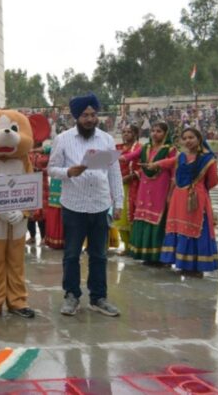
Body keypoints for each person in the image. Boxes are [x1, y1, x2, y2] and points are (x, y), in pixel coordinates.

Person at [48, 94, 123, 317]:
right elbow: (52, 169)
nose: (90, 119)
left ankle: (98, 298)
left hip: (100, 204)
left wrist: (118, 202)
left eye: (93, 115)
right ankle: (72, 296)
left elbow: (114, 172)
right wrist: (69, 172)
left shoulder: (106, 140)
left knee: (99, 254)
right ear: (76, 117)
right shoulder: (63, 139)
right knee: (71, 254)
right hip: (74, 206)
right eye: (85, 116)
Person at [144, 128, 218, 277]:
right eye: (184, 138)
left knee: (197, 229)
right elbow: (168, 162)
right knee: (179, 229)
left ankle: (195, 267)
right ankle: (183, 264)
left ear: (199, 138)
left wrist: (198, 190)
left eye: (191, 137)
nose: (187, 141)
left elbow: (213, 180)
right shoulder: (182, 157)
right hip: (178, 198)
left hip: (196, 200)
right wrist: (154, 164)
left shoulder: (208, 158)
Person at [122, 122, 176, 265]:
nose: (154, 133)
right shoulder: (146, 148)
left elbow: (174, 174)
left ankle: (159, 257)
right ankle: (144, 254)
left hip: (161, 189)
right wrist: (100, 159)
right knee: (143, 217)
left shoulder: (170, 150)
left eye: (158, 131)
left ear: (165, 134)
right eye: (152, 130)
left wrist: (171, 194)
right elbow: (128, 156)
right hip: (145, 190)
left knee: (158, 219)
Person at [114, 124, 142, 256]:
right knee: (120, 218)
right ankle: (126, 246)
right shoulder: (117, 148)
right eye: (124, 131)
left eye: (129, 132)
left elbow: (144, 167)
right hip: (118, 185)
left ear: (135, 134)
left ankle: (134, 246)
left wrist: (133, 175)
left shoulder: (140, 148)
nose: (126, 134)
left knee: (131, 216)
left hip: (134, 186)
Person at [27, 141, 49, 245]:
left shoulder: (46, 153)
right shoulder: (27, 154)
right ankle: (32, 237)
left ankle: (44, 237)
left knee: (42, 213)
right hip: (29, 185)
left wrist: (40, 170)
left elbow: (51, 168)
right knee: (29, 212)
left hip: (42, 186)